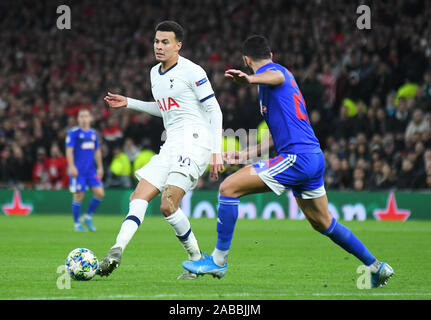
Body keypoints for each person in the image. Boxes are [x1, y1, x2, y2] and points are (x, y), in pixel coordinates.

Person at [183, 35, 394, 288]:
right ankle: (376, 267)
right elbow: (275, 134)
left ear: (246, 60)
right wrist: (243, 155)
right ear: (270, 54)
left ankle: (218, 261)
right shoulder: (274, 88)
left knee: (228, 188)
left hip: (297, 158)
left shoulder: (275, 74)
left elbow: (277, 75)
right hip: (312, 157)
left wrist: (250, 78)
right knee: (322, 222)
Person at [99, 20, 224, 279]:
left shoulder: (193, 71)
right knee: (139, 197)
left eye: (165, 42)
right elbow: (164, 108)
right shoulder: (155, 73)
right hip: (171, 143)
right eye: (156, 41)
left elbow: (214, 110)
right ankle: (116, 249)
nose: (159, 46)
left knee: (168, 205)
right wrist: (129, 103)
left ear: (178, 45)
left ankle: (196, 259)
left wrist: (216, 151)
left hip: (195, 141)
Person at [66, 107, 105, 232]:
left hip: (91, 171)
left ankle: (87, 216)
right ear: (78, 119)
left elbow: (97, 151)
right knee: (79, 196)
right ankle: (77, 224)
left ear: (90, 118)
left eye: (86, 116)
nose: (84, 119)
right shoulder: (74, 133)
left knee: (100, 193)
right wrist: (71, 166)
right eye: (81, 116)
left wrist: (100, 166)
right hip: (79, 171)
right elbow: (69, 150)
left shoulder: (93, 134)